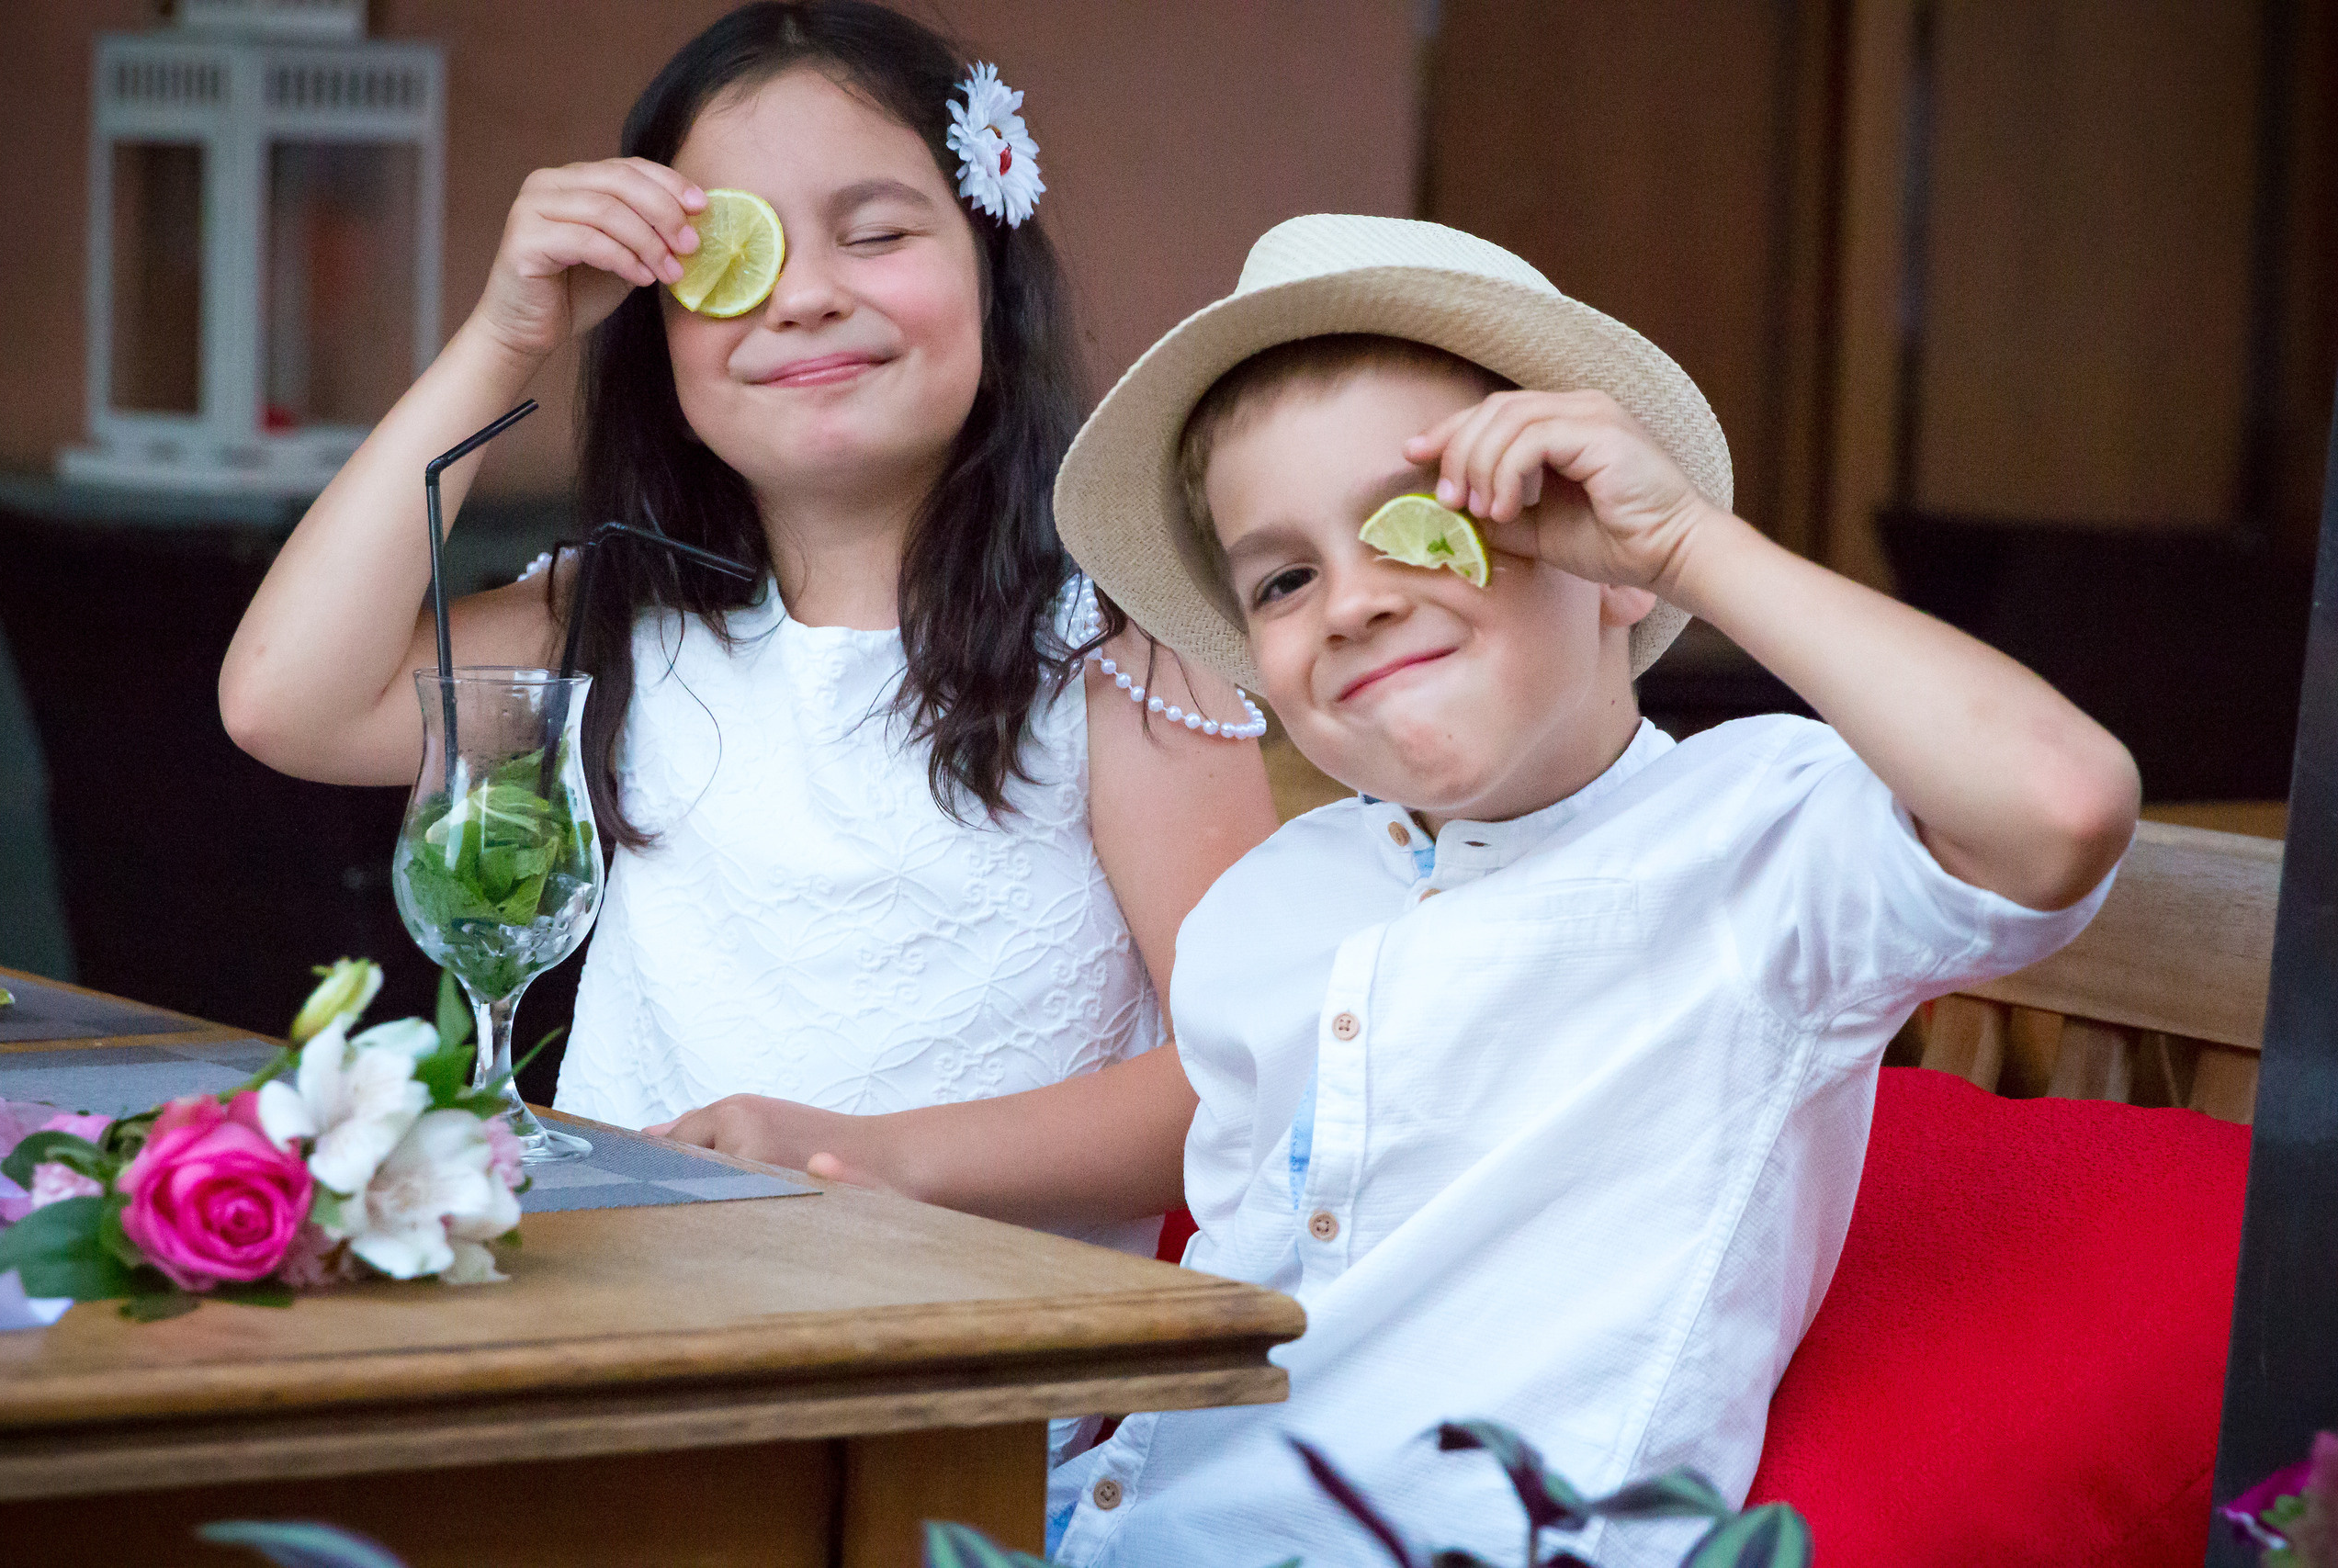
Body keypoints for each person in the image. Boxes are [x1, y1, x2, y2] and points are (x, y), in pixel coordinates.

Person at [1040, 215, 2139, 1563]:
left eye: (1419, 524)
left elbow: (2061, 805)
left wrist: (1687, 543)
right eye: (1283, 577)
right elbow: (1244, 1269)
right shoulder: (1272, 905)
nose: (1352, 602)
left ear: (1607, 570)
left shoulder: (1751, 842)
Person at [218, 1, 1278, 1253]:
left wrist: (862, 1160)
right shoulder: (619, 621)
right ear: (660, 327)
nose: (809, 296)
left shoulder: (1111, 647)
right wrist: (508, 337)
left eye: (876, 233)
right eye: (739, 258)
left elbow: (1244, 1072)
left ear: (994, 266)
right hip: (627, 1318)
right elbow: (286, 699)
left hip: (957, 1378)